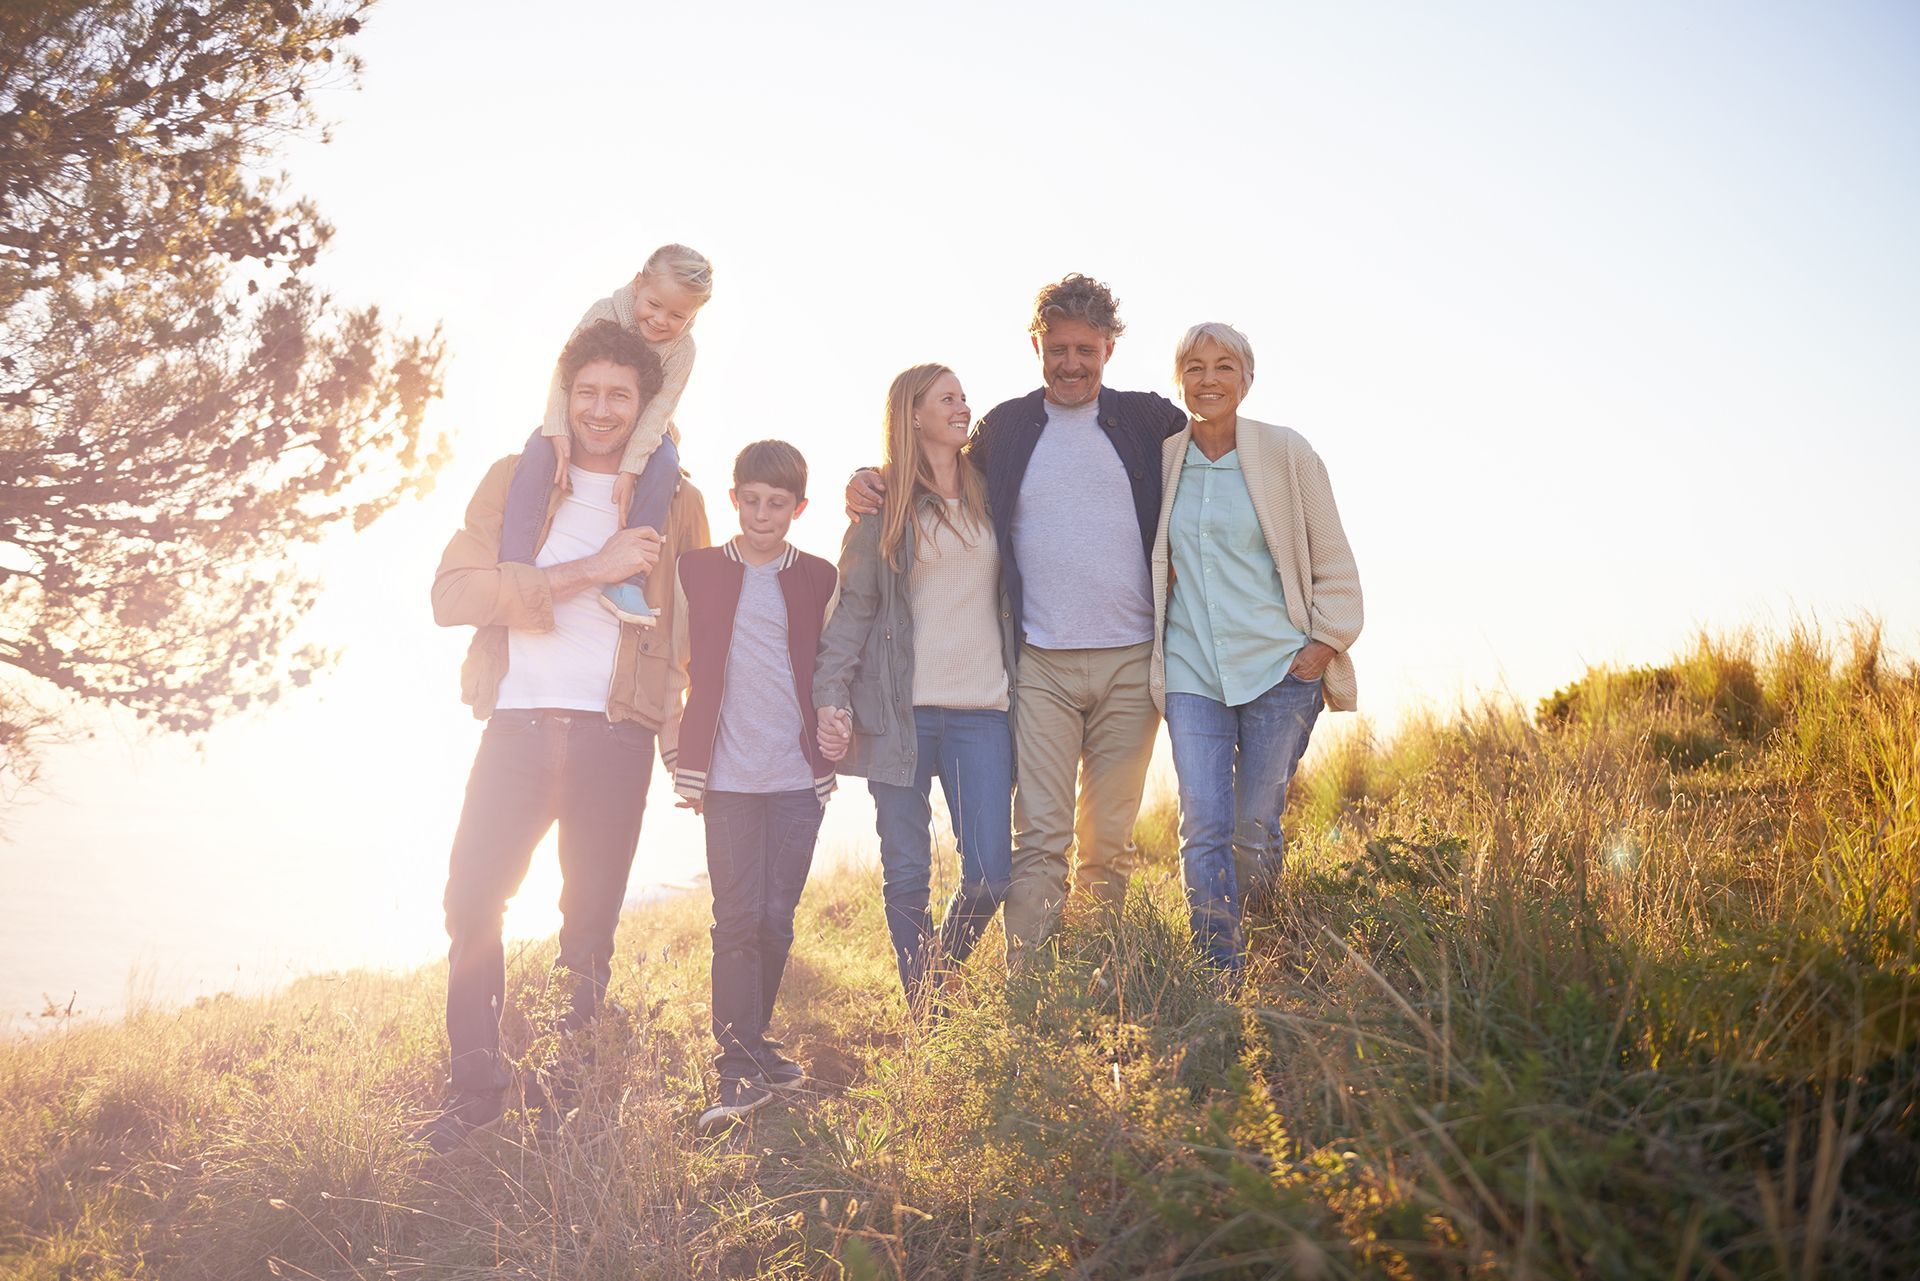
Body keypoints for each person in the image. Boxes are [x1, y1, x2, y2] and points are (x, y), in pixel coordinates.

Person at [420, 320, 711, 1154]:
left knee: (587, 923)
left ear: (645, 403)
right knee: (471, 899)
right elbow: (452, 594)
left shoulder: (678, 498)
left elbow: (696, 625)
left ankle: (570, 1092)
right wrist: (594, 568)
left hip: (615, 735)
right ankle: (475, 1093)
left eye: (621, 394)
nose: (602, 408)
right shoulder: (514, 480)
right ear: (565, 393)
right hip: (516, 725)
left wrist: (691, 734)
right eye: (588, 391)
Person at [847, 274, 1185, 958]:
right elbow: (933, 477)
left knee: (1109, 844)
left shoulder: (1152, 422)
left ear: (1109, 349)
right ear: (1038, 344)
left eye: (1085, 349)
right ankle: (1030, 987)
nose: (1071, 363)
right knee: (1039, 841)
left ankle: (1096, 979)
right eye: (1057, 347)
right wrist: (867, 479)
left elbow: (1218, 458)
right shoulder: (1005, 428)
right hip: (1039, 667)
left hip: (1131, 663)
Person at [1149, 322, 1363, 976]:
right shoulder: (1162, 459)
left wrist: (1322, 647)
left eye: (1223, 366)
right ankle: (1219, 974)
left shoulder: (1286, 453)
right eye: (1194, 366)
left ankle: (1268, 925)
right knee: (1204, 826)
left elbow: (1333, 557)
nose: (1208, 379)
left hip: (1280, 667)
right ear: (1179, 376)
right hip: (1192, 667)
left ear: (1247, 377)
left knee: (1252, 831)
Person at [814, 365, 1020, 1010]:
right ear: (912, 416)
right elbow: (850, 614)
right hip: (898, 715)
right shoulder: (884, 510)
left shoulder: (994, 492)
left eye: (963, 397)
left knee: (990, 873)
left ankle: (938, 975)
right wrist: (831, 695)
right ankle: (927, 1016)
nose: (962, 407)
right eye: (947, 399)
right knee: (907, 873)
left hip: (982, 710)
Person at [662, 440, 839, 1130]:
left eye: (779, 504)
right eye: (752, 500)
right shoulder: (696, 570)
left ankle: (756, 1043)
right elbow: (673, 656)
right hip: (728, 774)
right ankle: (735, 1065)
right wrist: (670, 730)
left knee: (774, 917)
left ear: (798, 508)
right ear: (734, 498)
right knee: (734, 918)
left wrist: (838, 716)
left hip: (797, 775)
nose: (764, 515)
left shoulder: (819, 578)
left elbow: (832, 668)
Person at [500, 244, 715, 624]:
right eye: (654, 304)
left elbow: (660, 412)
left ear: (694, 315)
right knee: (538, 449)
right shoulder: (604, 313)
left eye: (678, 314)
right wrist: (558, 430)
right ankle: (516, 565)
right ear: (638, 284)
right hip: (578, 413)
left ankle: (626, 582)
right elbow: (565, 373)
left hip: (648, 426)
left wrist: (631, 468)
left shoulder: (683, 349)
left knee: (665, 464)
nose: (661, 320)